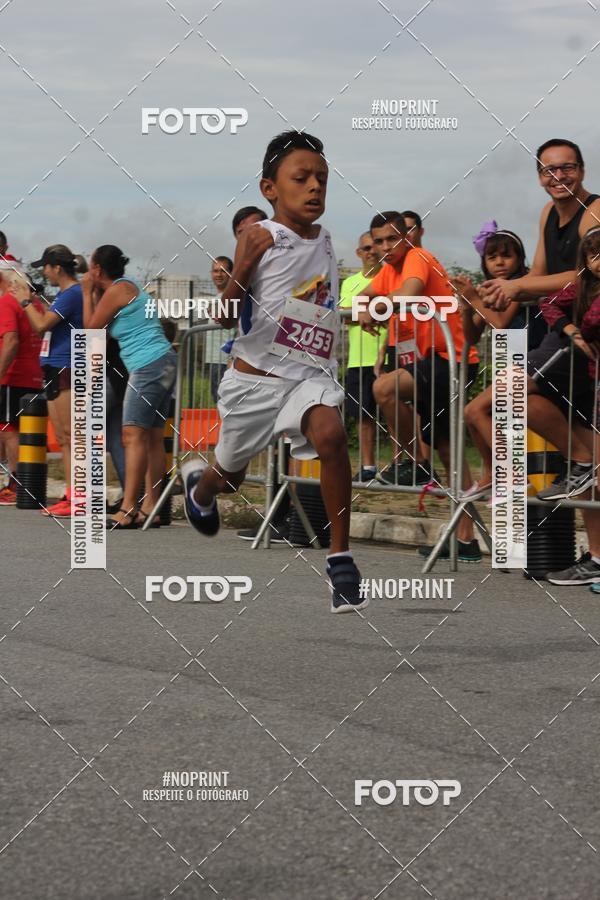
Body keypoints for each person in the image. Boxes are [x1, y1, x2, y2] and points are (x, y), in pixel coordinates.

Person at [181, 129, 368, 613]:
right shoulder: (258, 235)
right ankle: (200, 486)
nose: (314, 188)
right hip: (254, 384)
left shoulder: (326, 239)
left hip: (309, 375)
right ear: (270, 188)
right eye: (301, 178)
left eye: (322, 180)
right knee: (230, 477)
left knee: (330, 435)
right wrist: (246, 260)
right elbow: (224, 316)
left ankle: (341, 560)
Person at [358, 211, 482, 561]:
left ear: (407, 237)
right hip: (427, 363)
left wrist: (376, 306)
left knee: (384, 388)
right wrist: (369, 306)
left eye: (392, 239)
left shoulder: (417, 256)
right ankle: (467, 539)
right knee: (450, 450)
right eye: (378, 241)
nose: (385, 246)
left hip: (450, 359)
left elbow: (409, 292)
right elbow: (364, 296)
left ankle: (414, 462)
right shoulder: (389, 268)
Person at [82, 245, 177, 529]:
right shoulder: (128, 287)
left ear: (97, 269)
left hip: (147, 364)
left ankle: (128, 508)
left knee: (131, 436)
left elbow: (91, 331)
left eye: (90, 267)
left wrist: (87, 293)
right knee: (153, 437)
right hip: (164, 360)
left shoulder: (116, 291)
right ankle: (151, 507)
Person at [545, 227, 600, 586]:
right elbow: (548, 304)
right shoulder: (583, 288)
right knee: (593, 476)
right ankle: (596, 557)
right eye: (593, 255)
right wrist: (573, 332)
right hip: (594, 387)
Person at [458, 224, 530, 499]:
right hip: (511, 363)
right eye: (492, 257)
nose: (499, 262)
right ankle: (491, 474)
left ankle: (511, 473)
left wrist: (476, 298)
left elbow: (499, 322)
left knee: (474, 411)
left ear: (519, 258)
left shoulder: (518, 286)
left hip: (529, 361)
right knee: (473, 412)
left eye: (506, 255)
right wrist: (467, 306)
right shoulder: (490, 290)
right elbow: (472, 335)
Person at [22, 245, 83, 517]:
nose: (44, 273)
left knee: (71, 436)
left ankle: (78, 498)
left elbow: (41, 325)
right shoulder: (64, 295)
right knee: (64, 437)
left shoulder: (72, 294)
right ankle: (71, 495)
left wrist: (25, 302)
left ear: (56, 267)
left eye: (45, 267)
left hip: (66, 367)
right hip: (56, 367)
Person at [338, 231, 384, 482]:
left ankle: (402, 466)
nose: (371, 251)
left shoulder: (390, 277)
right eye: (366, 248)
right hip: (358, 358)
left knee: (397, 415)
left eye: (375, 246)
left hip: (387, 354)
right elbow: (344, 316)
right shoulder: (350, 282)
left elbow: (398, 311)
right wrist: (373, 311)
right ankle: (368, 467)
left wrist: (362, 311)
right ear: (359, 252)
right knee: (363, 416)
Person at [0, 265, 44, 504]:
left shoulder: (7, 302)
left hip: (13, 374)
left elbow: (11, 341)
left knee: (8, 429)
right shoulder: (34, 304)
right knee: (22, 429)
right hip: (34, 373)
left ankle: (15, 483)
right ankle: (22, 482)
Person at [204, 256, 234, 403]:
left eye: (223, 271)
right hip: (213, 360)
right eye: (215, 271)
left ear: (231, 273)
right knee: (218, 401)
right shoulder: (214, 300)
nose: (219, 275)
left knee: (227, 403)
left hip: (226, 361)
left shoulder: (234, 298)